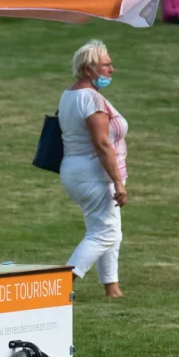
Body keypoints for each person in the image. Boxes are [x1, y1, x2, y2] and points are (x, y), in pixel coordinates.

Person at [58, 40, 128, 299]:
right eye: (106, 65)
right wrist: (118, 181)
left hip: (75, 171)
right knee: (105, 233)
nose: (112, 69)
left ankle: (112, 289)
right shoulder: (91, 99)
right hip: (94, 175)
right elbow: (102, 144)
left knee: (108, 230)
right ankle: (62, 283)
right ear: (89, 70)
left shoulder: (70, 94)